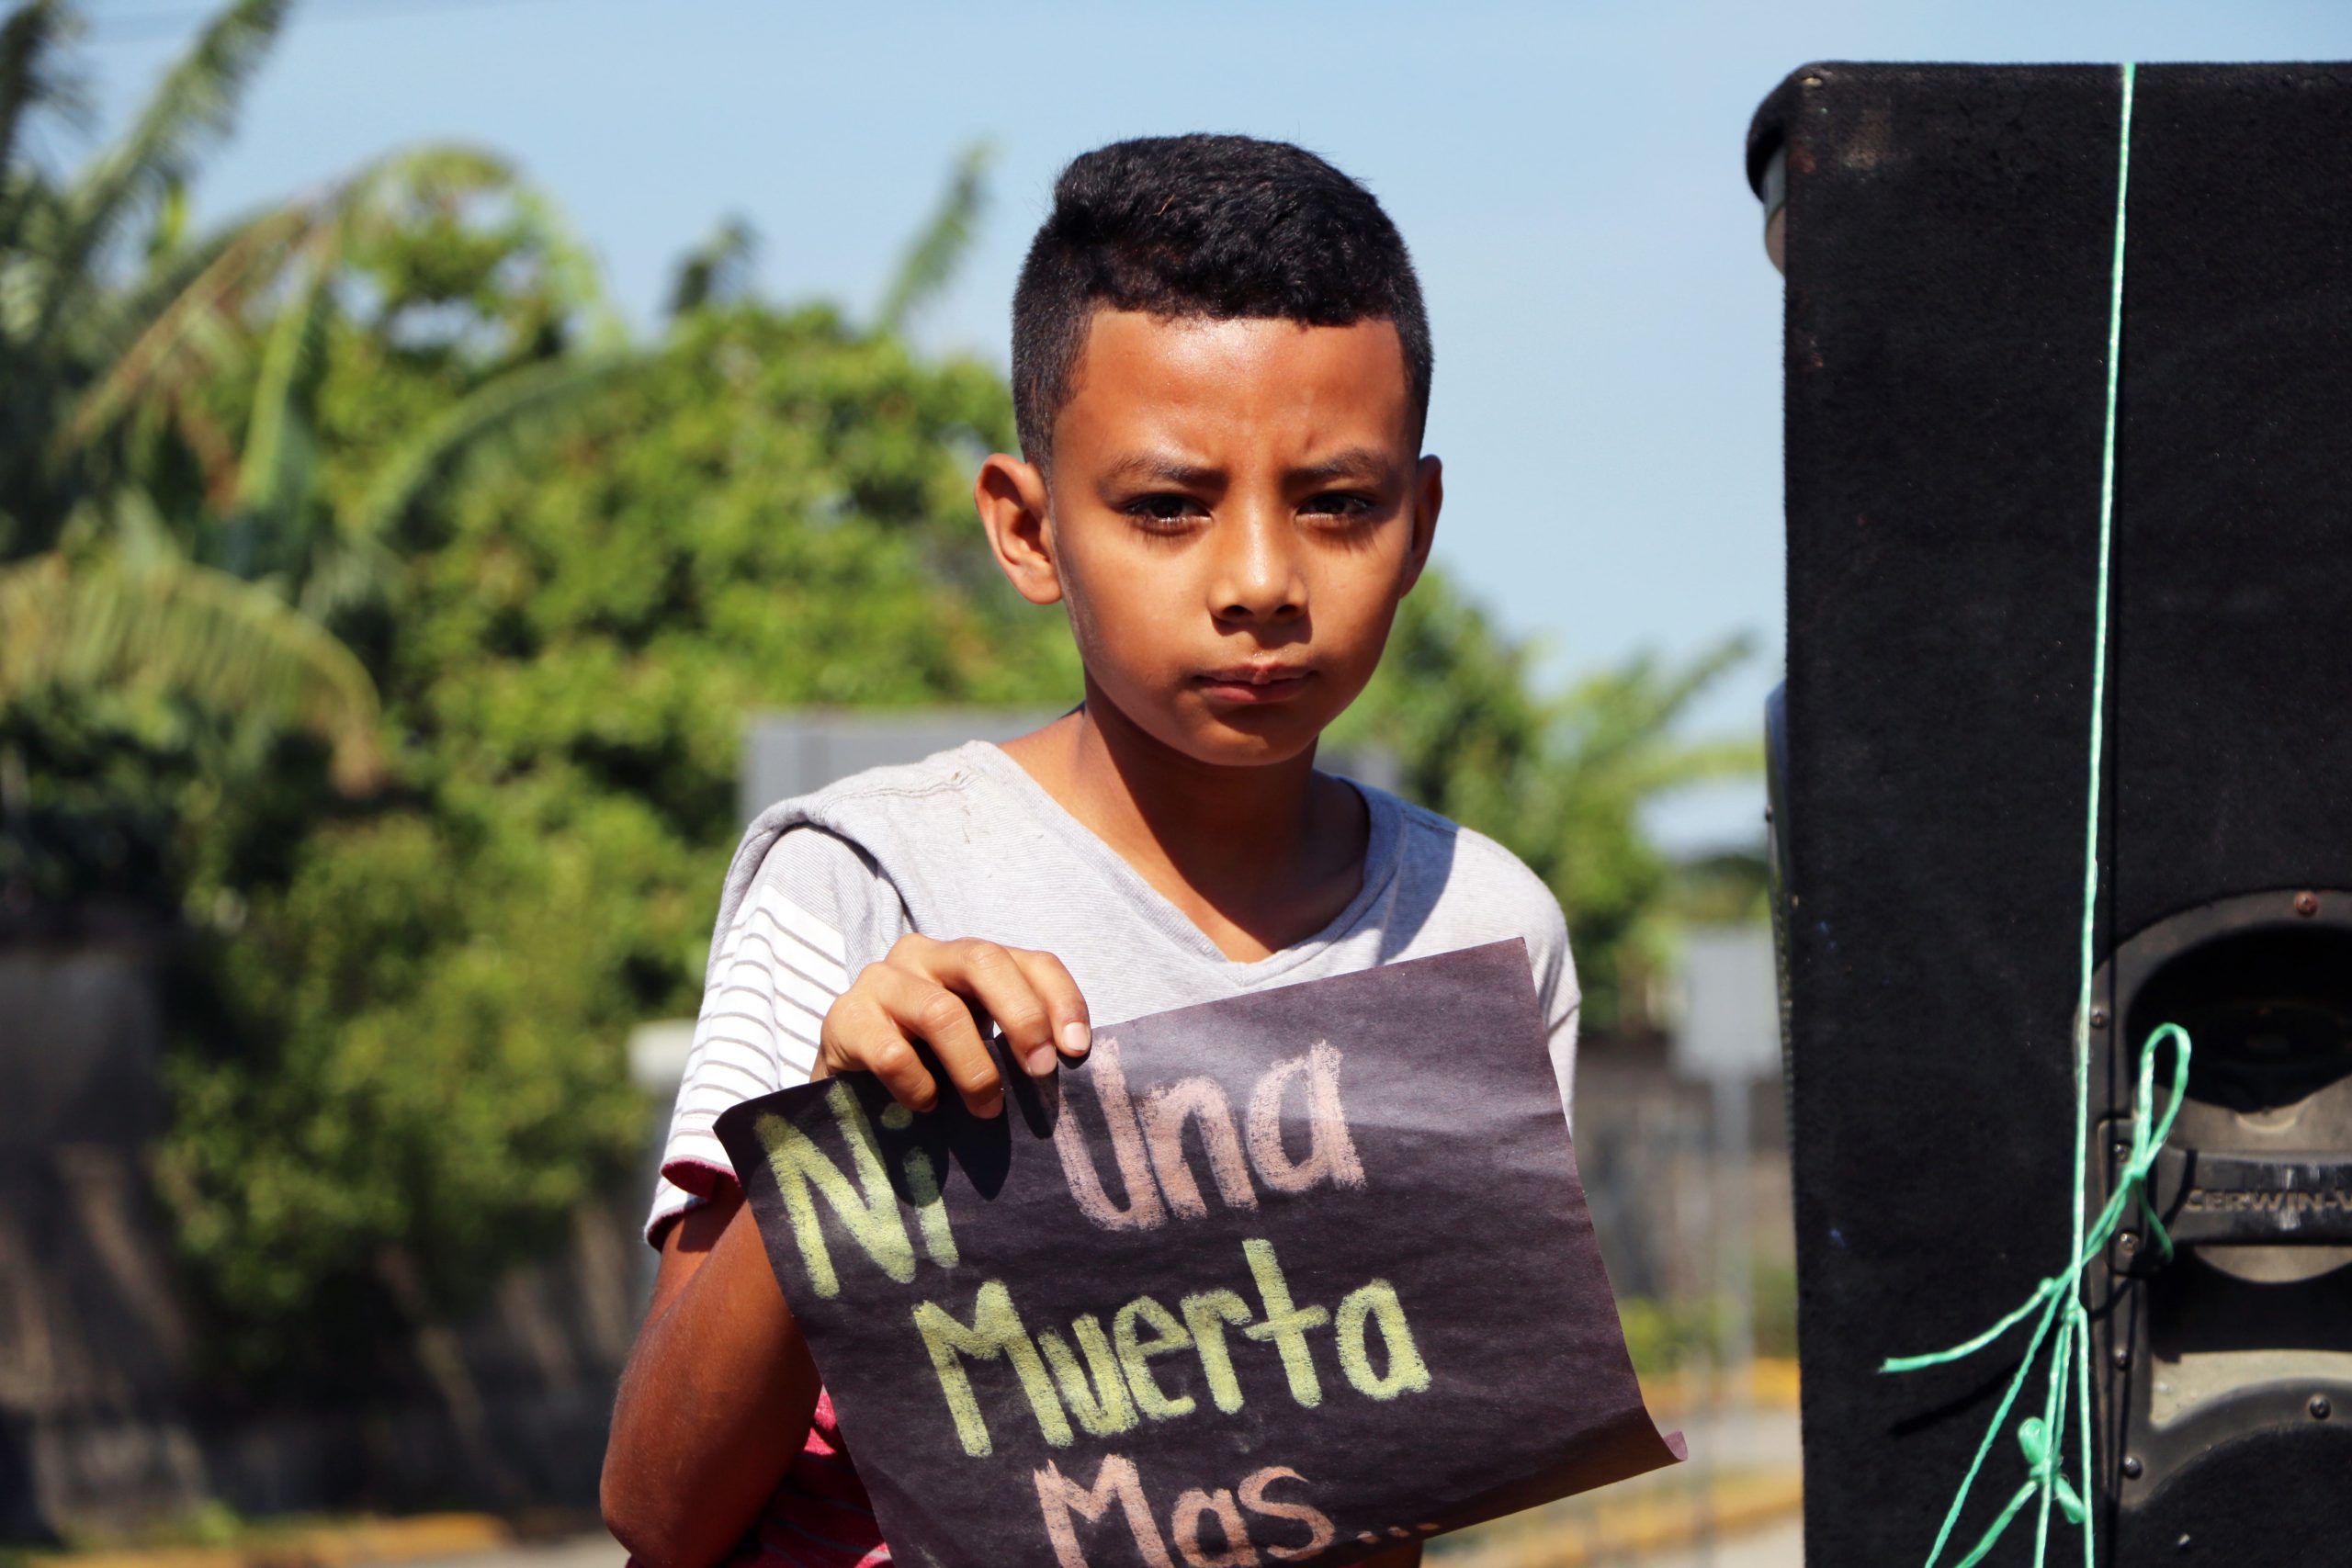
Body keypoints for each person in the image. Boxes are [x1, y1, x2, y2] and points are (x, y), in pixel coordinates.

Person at [601, 133, 1579, 1568]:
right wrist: (839, 1131)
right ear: (1028, 525)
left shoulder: (1480, 939)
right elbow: (658, 1506)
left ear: (1418, 525)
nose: (1260, 583)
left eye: (1339, 505)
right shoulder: (862, 881)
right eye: (1168, 508)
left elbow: (1384, 1504)